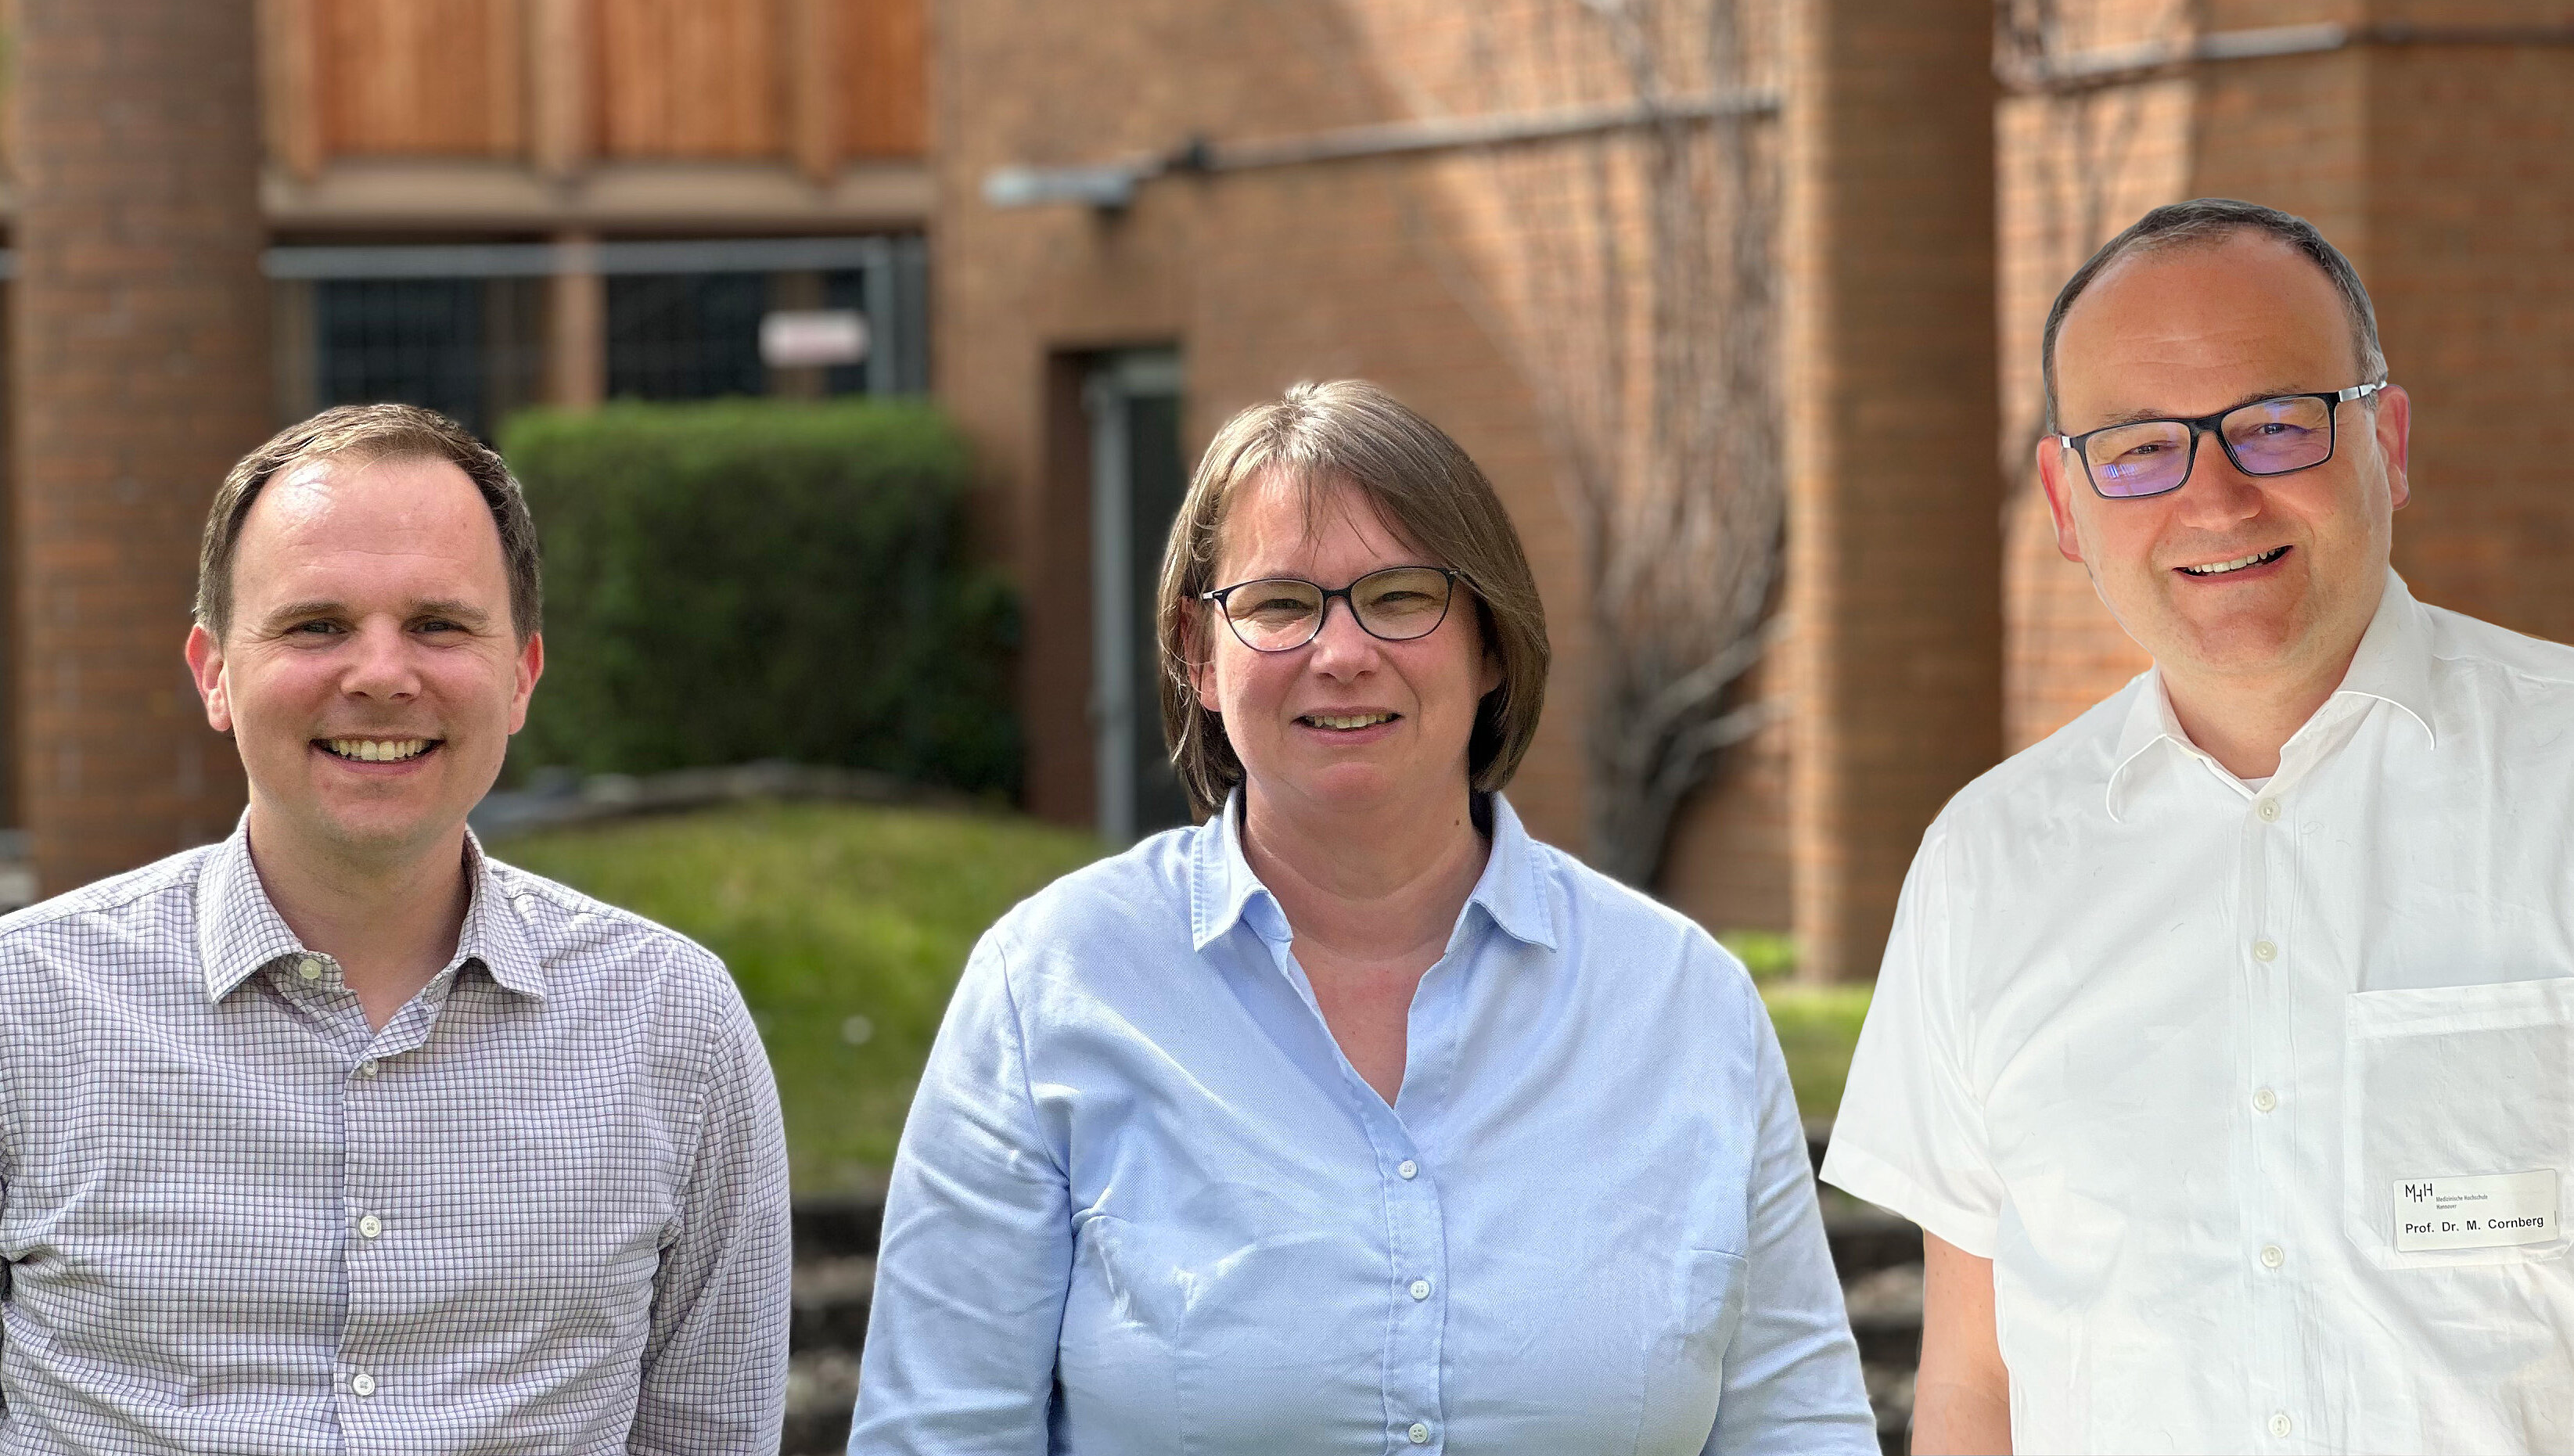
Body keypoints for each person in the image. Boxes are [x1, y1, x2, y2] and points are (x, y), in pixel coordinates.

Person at [851, 379, 1873, 1455]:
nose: (1340, 652)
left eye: (1397, 597)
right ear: (1200, 656)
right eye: (1281, 603)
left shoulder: (1681, 1001)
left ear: (1490, 647)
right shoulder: (1049, 987)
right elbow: (937, 1435)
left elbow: (1797, 1429)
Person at [1824, 197, 2574, 1453]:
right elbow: (1974, 1386)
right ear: (2067, 505)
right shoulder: (1986, 864)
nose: (2215, 500)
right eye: (2136, 450)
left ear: (2384, 442)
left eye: (2277, 425)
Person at [0, 404, 791, 1454]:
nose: (380, 674)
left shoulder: (674, 1026)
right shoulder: (24, 1011)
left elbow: (711, 1436)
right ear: (213, 671)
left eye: (439, 624)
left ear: (521, 674)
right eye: (316, 624)